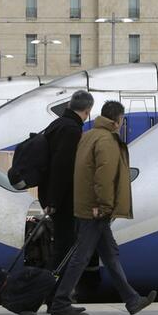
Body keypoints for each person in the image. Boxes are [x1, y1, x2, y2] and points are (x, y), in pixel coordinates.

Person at [50, 101, 156, 315]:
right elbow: (103, 177)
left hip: (86, 205)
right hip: (96, 209)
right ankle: (60, 301)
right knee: (82, 256)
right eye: (122, 119)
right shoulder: (106, 140)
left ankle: (132, 299)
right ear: (117, 120)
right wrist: (104, 206)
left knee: (110, 254)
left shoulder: (88, 135)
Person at [37, 90, 94, 270]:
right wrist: (54, 201)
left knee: (64, 243)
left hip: (53, 195)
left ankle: (57, 289)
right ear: (87, 110)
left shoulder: (57, 124)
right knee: (64, 244)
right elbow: (62, 168)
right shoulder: (71, 129)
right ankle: (53, 289)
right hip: (62, 200)